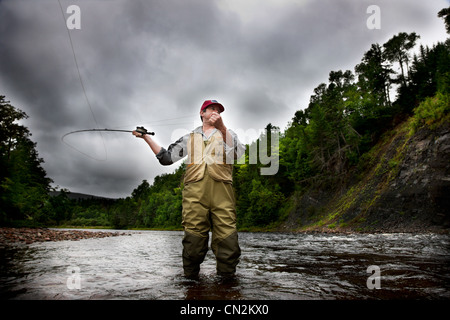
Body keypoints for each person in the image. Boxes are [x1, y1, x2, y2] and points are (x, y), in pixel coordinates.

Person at [133, 100, 245, 279]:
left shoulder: (228, 134)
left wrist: (222, 128)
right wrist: (145, 137)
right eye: (212, 109)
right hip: (194, 197)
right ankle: (190, 287)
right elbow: (166, 158)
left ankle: (226, 288)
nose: (216, 112)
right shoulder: (189, 137)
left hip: (223, 196)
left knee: (229, 245)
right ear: (202, 113)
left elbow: (238, 154)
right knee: (193, 246)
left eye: (219, 110)